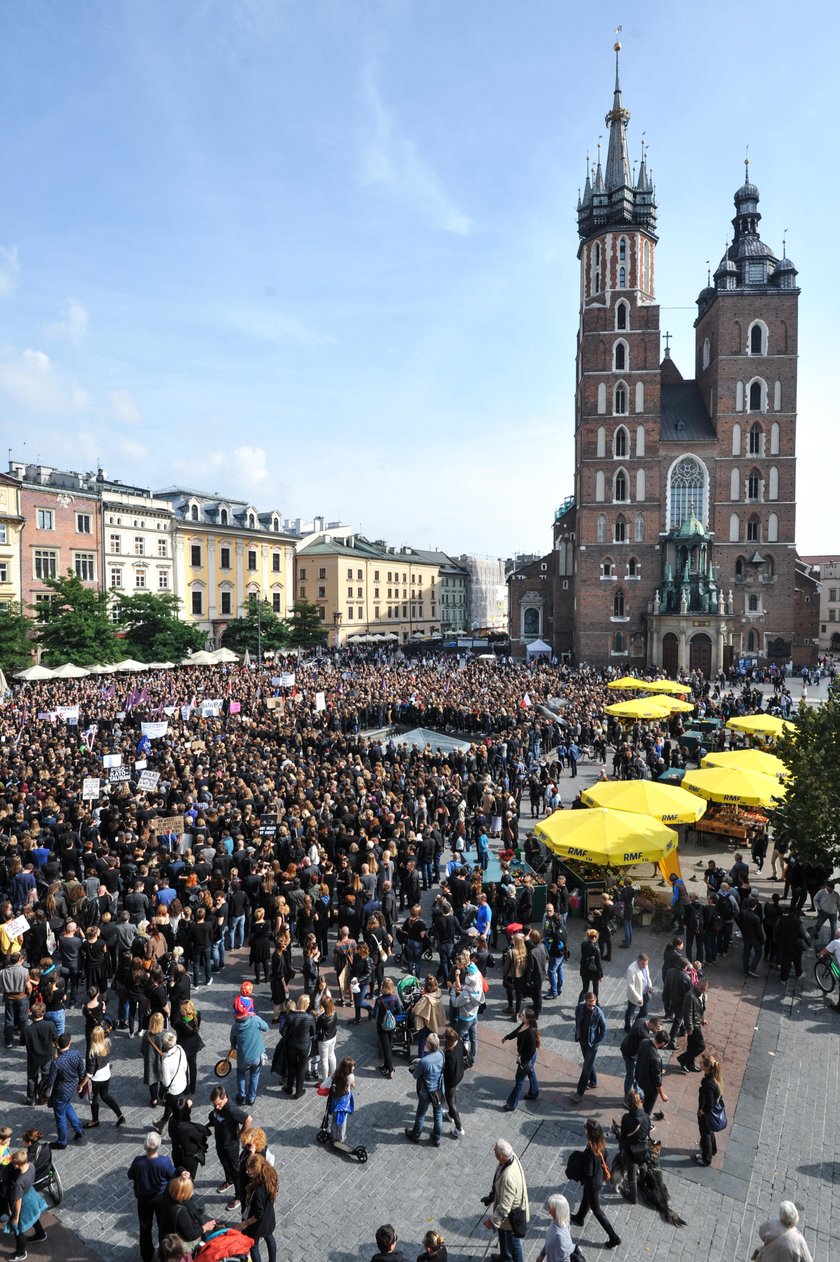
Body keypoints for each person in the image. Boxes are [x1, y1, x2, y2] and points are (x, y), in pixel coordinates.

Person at [569, 1119, 621, 1249]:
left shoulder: (590, 1150)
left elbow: (588, 1172)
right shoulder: (601, 1143)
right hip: (598, 1179)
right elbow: (605, 1156)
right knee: (586, 1197)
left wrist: (581, 1161)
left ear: (589, 1133)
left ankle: (613, 1237)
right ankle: (580, 1217)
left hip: (592, 1182)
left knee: (596, 1210)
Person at [128, 1131, 176, 1262]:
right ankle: (164, 1253)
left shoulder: (138, 1162)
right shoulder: (164, 1162)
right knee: (163, 1226)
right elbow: (172, 1177)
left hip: (144, 1199)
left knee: (145, 1227)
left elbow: (130, 1175)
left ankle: (147, 1254)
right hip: (161, 1198)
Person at [482, 1137, 530, 1262]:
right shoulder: (510, 1156)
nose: (493, 1149)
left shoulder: (508, 1178)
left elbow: (504, 1207)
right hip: (505, 1218)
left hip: (512, 1217)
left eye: (495, 1149)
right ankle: (505, 1257)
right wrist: (491, 1197)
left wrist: (492, 1222)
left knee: (513, 1243)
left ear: (501, 1157)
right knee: (502, 1234)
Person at [44, 1031, 88, 1149]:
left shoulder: (56, 1062)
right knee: (68, 1106)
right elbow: (81, 1071)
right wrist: (81, 1085)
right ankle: (79, 1130)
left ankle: (62, 1142)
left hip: (60, 1092)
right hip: (72, 1087)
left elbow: (51, 1081)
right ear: (69, 1043)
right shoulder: (76, 1053)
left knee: (60, 1117)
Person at [208, 1086, 252, 1203]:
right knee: (224, 1163)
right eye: (214, 1105)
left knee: (235, 1171)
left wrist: (240, 1134)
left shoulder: (232, 1109)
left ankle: (239, 1196)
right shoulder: (218, 1106)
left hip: (230, 1145)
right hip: (220, 1143)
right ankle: (229, 1180)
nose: (217, 1107)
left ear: (225, 1097)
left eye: (219, 1104)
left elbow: (248, 1119)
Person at [154, 1172, 215, 1253]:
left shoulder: (168, 1195)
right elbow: (189, 1235)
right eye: (190, 1190)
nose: (192, 1192)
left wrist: (182, 1172)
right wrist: (205, 1228)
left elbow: (175, 1173)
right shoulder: (181, 1212)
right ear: (183, 1194)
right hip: (181, 1246)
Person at [5, 1148, 48, 1260]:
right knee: (33, 1216)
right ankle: (40, 1234)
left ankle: (21, 1253)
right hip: (32, 1194)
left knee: (18, 1228)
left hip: (24, 1201)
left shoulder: (19, 1182)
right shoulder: (31, 1165)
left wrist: (16, 1217)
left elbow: (18, 1200)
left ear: (17, 1165)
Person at [405, 1032, 445, 1147]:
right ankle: (437, 1138)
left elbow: (415, 1075)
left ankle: (416, 1135)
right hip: (437, 1090)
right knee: (437, 1113)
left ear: (428, 1045)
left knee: (421, 1114)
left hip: (425, 1092)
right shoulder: (441, 1055)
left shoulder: (424, 1061)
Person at [229, 996, 269, 1106]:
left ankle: (241, 1096)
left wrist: (234, 1046)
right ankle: (251, 1098)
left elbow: (233, 1041)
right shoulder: (255, 1020)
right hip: (256, 1056)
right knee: (254, 1075)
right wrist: (255, 1016)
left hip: (243, 1057)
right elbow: (266, 1027)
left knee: (241, 1073)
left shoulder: (234, 1027)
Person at [239, 1153, 278, 1262]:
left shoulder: (258, 1192)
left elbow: (258, 1214)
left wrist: (246, 1223)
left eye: (249, 1171)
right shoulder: (271, 1174)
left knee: (253, 1246)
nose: (247, 1172)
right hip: (269, 1218)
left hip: (257, 1225)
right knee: (269, 1237)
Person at [85, 1024, 126, 1128]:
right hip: (106, 1074)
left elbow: (90, 1072)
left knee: (93, 1099)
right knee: (105, 1095)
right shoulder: (106, 1044)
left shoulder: (92, 1051)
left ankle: (95, 1120)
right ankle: (120, 1115)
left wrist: (81, 1084)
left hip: (96, 1078)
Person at [571, 991, 606, 1104]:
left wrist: (595, 1042)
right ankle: (594, 1081)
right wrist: (578, 1033)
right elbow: (577, 1019)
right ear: (585, 1001)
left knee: (586, 1068)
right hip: (582, 1041)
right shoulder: (580, 1007)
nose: (591, 1007)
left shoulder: (599, 1013)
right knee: (588, 1062)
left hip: (592, 1044)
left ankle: (579, 1093)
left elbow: (604, 1031)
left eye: (593, 1005)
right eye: (589, 1005)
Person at [617, 1088, 651, 1205]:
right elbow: (648, 1134)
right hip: (643, 1147)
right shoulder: (646, 1117)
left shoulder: (626, 1118)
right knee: (643, 1164)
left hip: (630, 1150)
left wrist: (621, 1147)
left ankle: (633, 1196)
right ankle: (644, 1182)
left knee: (631, 1171)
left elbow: (623, 1136)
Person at [502, 1009, 540, 1111]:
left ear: (527, 1019)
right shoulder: (524, 1024)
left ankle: (511, 1104)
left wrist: (522, 1059)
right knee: (531, 1072)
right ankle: (534, 1093)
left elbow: (531, 1050)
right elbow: (517, 1032)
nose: (520, 1015)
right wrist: (507, 1037)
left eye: (522, 1015)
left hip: (527, 1058)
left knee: (519, 1080)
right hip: (527, 1057)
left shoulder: (530, 1032)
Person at [693, 1053, 723, 1166]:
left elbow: (709, 1103)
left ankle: (706, 1158)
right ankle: (713, 1150)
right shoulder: (714, 1078)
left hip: (706, 1113)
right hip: (710, 1113)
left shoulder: (708, 1083)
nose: (699, 1064)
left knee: (704, 1134)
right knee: (709, 1131)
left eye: (701, 1063)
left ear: (706, 1067)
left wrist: (702, 1111)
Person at [168, 1096, 209, 1180]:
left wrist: (187, 1107)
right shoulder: (186, 1128)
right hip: (189, 1158)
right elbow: (199, 1136)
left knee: (180, 1174)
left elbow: (181, 1114)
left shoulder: (172, 1121)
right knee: (189, 1178)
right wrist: (188, 1108)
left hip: (177, 1153)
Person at [155, 1031, 189, 1129]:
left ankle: (177, 1129)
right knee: (169, 1106)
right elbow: (185, 1067)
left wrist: (161, 1073)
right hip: (182, 1083)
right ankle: (162, 1123)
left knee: (175, 1111)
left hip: (173, 1090)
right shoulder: (180, 1049)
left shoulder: (166, 1061)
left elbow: (166, 1083)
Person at [23, 1001, 55, 1106]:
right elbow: (55, 1038)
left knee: (32, 1078)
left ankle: (30, 1099)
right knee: (46, 1076)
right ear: (43, 1013)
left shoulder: (27, 1029)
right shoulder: (50, 1025)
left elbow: (22, 1041)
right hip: (47, 1056)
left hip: (33, 1057)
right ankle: (43, 1097)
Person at [636, 1028, 670, 1117]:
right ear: (662, 1043)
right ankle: (644, 1123)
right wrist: (663, 1095)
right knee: (647, 1109)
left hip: (639, 1079)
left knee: (638, 1104)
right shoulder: (656, 1058)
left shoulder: (644, 1042)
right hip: (649, 1089)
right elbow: (657, 1082)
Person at [373, 978, 402, 1079]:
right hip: (391, 1025)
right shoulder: (395, 998)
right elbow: (399, 1011)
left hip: (381, 1026)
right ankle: (386, 1066)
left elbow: (374, 1014)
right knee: (389, 1044)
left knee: (386, 1048)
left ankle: (390, 1069)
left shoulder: (379, 1000)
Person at [677, 979, 707, 1072]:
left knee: (692, 1045)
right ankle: (682, 1058)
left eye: (704, 989)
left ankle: (690, 1064)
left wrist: (702, 1019)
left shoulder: (701, 994)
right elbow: (688, 1013)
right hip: (694, 1025)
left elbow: (700, 1008)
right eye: (702, 989)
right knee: (701, 1046)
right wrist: (689, 1027)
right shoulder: (690, 996)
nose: (703, 991)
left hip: (697, 1022)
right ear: (697, 985)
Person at [412, 975, 445, 1059]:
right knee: (433, 1039)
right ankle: (433, 1055)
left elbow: (416, 1010)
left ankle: (421, 1057)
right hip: (433, 1021)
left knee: (422, 1040)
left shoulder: (425, 998)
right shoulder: (438, 993)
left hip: (424, 1022)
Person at [535, 1193, 575, 1262]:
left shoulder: (560, 1235)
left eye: (550, 1206)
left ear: (557, 1211)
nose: (548, 1207)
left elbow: (566, 1257)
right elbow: (550, 1241)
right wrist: (542, 1255)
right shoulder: (555, 1221)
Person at [442, 1025, 466, 1139]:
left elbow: (448, 1071)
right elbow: (466, 1054)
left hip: (451, 1079)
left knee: (451, 1101)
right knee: (453, 1097)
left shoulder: (448, 1054)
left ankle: (459, 1127)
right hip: (460, 1074)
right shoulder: (460, 1042)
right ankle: (450, 1114)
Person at [328, 1057, 356, 1144]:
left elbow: (330, 1079)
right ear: (348, 1068)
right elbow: (353, 1085)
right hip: (344, 1101)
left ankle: (333, 1137)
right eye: (353, 1066)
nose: (354, 1068)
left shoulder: (336, 1072)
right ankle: (341, 1138)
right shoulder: (350, 1076)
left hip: (335, 1099)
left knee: (334, 1120)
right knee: (343, 1120)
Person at [624, 952, 652, 1032]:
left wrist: (650, 986)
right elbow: (631, 985)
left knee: (644, 1012)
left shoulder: (645, 965)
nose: (645, 966)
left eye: (646, 964)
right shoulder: (631, 969)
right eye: (643, 964)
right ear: (639, 961)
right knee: (630, 1012)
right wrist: (638, 998)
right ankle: (627, 1027)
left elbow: (647, 977)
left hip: (645, 993)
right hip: (636, 995)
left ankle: (636, 1024)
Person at [577, 928, 603, 1002]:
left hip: (584, 968)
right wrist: (601, 974)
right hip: (594, 971)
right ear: (594, 937)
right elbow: (598, 963)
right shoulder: (596, 949)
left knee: (585, 989)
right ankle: (596, 1003)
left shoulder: (583, 944)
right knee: (595, 988)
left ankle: (580, 1004)